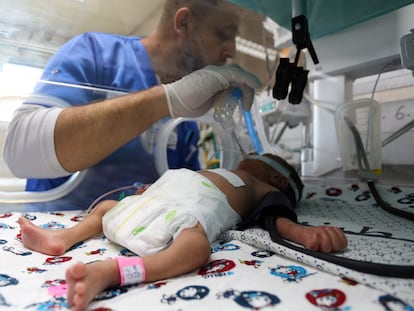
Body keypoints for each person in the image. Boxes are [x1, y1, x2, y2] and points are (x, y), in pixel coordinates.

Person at [3, 0, 261, 206]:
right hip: (58, 235)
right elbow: (19, 154)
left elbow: (187, 196)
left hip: (134, 243)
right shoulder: (94, 53)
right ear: (184, 22)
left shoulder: (188, 117)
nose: (232, 50)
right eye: (224, 34)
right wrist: (165, 100)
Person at [18, 154, 348, 311]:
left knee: (195, 249)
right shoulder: (220, 170)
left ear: (278, 179)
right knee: (105, 210)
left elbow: (274, 218)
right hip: (151, 204)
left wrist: (303, 234)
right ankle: (61, 237)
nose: (248, 158)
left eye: (261, 158)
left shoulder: (262, 187)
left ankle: (110, 273)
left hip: (185, 218)